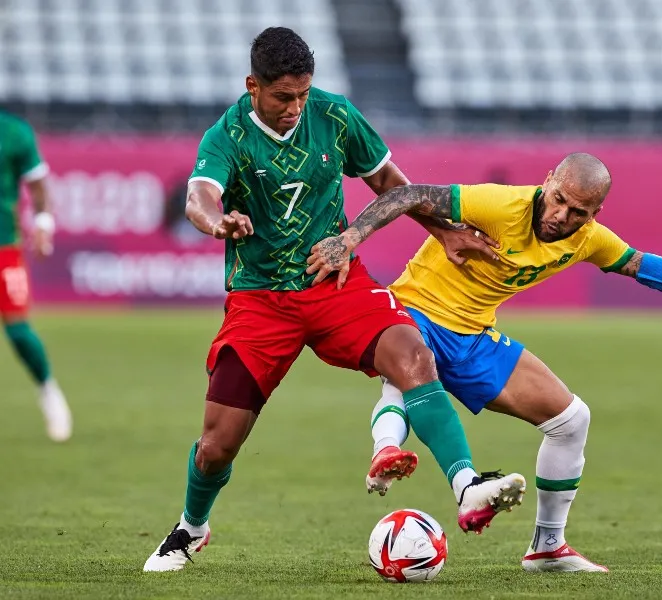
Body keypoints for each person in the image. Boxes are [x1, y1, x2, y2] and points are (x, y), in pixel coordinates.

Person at [307, 152, 662, 573]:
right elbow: (406, 193)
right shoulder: (499, 204)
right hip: (413, 311)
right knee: (412, 372)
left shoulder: (589, 241)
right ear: (547, 180)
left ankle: (547, 548)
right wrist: (349, 240)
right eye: (559, 200)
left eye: (579, 212)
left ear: (595, 214)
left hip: (473, 336)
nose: (562, 216)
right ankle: (389, 449)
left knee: (571, 419)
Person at [142, 27, 526, 573]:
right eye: (283, 97)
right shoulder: (226, 136)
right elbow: (200, 198)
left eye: (303, 93)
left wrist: (442, 231)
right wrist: (218, 221)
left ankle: (466, 485)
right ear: (253, 86)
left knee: (414, 353)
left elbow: (390, 181)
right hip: (261, 300)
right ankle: (191, 527)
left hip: (336, 283)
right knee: (216, 445)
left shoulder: (335, 115)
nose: (296, 107)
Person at [0, 109, 71, 442]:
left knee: (17, 330)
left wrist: (43, 224)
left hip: (4, 246)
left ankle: (48, 390)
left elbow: (38, 184)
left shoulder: (14, 132)